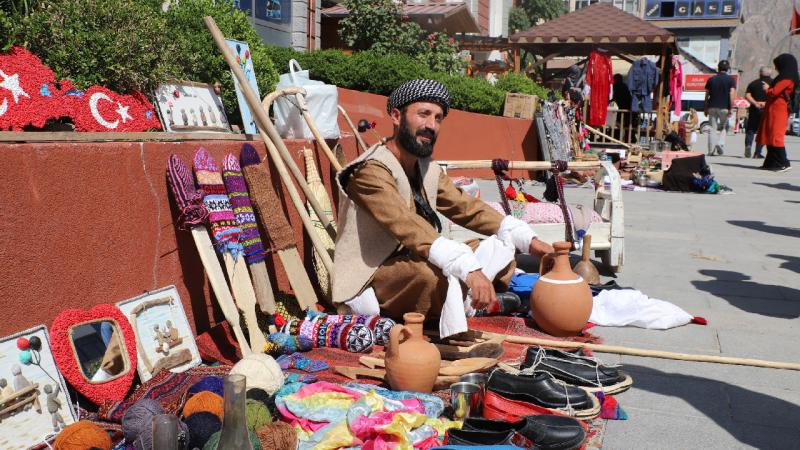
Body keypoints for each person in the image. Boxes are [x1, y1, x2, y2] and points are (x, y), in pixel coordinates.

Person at [333, 79, 554, 337]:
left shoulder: (425, 166)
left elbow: (464, 206)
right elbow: (406, 224)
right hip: (375, 272)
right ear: (396, 116)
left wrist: (530, 240)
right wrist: (467, 267)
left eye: (438, 118)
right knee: (433, 277)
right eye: (423, 114)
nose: (431, 125)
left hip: (416, 254)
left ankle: (465, 299)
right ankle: (469, 303)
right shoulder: (370, 170)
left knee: (500, 248)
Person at [759, 53, 798, 172]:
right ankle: (771, 163)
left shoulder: (787, 78)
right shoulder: (784, 76)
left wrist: (767, 89)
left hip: (779, 109)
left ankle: (784, 163)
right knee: (770, 134)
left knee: (776, 135)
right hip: (774, 108)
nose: (776, 68)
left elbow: (774, 92)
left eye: (778, 66)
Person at [704, 60, 737, 156]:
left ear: (718, 68)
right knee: (724, 127)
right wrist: (731, 107)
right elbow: (731, 94)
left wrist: (705, 107)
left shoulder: (711, 79)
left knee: (712, 129)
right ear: (728, 69)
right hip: (724, 107)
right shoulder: (731, 80)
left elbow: (706, 95)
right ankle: (720, 143)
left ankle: (711, 150)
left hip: (712, 106)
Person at [744, 66, 773, 158]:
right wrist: (765, 103)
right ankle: (757, 152)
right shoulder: (773, 83)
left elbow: (747, 95)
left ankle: (748, 145)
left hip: (754, 110)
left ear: (760, 73)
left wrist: (755, 103)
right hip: (767, 110)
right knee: (763, 131)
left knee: (751, 130)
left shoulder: (753, 83)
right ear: (770, 73)